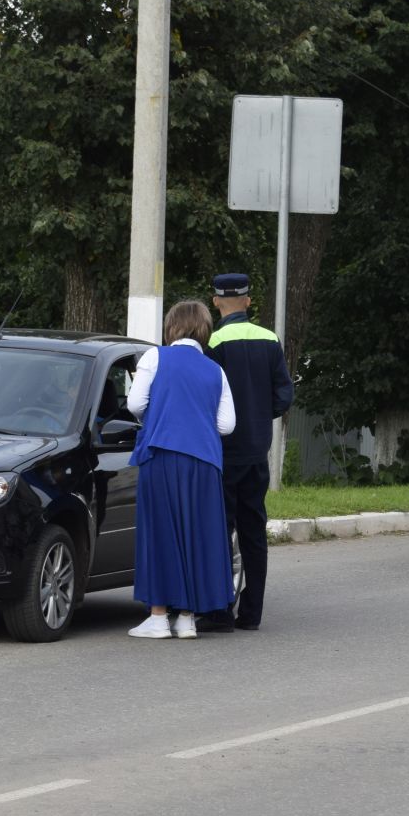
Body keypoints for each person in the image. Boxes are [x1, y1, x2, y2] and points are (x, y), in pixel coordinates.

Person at [126, 301, 236, 640]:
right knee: (196, 534)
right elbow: (227, 424)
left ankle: (158, 616)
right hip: (204, 463)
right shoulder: (215, 370)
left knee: (160, 533)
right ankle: (187, 618)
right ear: (204, 331)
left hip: (162, 456)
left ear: (171, 327)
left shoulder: (154, 358)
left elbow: (134, 404)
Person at [200, 272, 294, 631]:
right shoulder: (270, 339)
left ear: (215, 301)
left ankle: (221, 610)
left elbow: (209, 394)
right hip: (258, 452)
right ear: (248, 302)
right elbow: (284, 396)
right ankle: (252, 614)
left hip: (222, 453)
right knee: (254, 532)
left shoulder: (215, 342)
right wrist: (258, 415)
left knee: (221, 532)